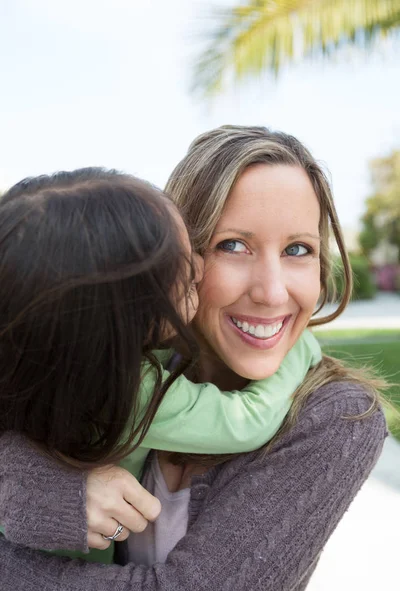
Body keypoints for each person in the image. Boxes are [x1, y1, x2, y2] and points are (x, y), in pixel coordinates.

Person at [0, 126, 387, 591]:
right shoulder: (122, 367)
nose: (271, 292)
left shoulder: (337, 417)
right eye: (233, 245)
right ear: (177, 256)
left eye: (298, 249)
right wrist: (47, 493)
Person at [0, 166, 321, 565]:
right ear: (129, 312)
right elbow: (246, 420)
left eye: (298, 249)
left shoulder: (35, 361)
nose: (201, 272)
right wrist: (300, 351)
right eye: (186, 271)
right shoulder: (133, 388)